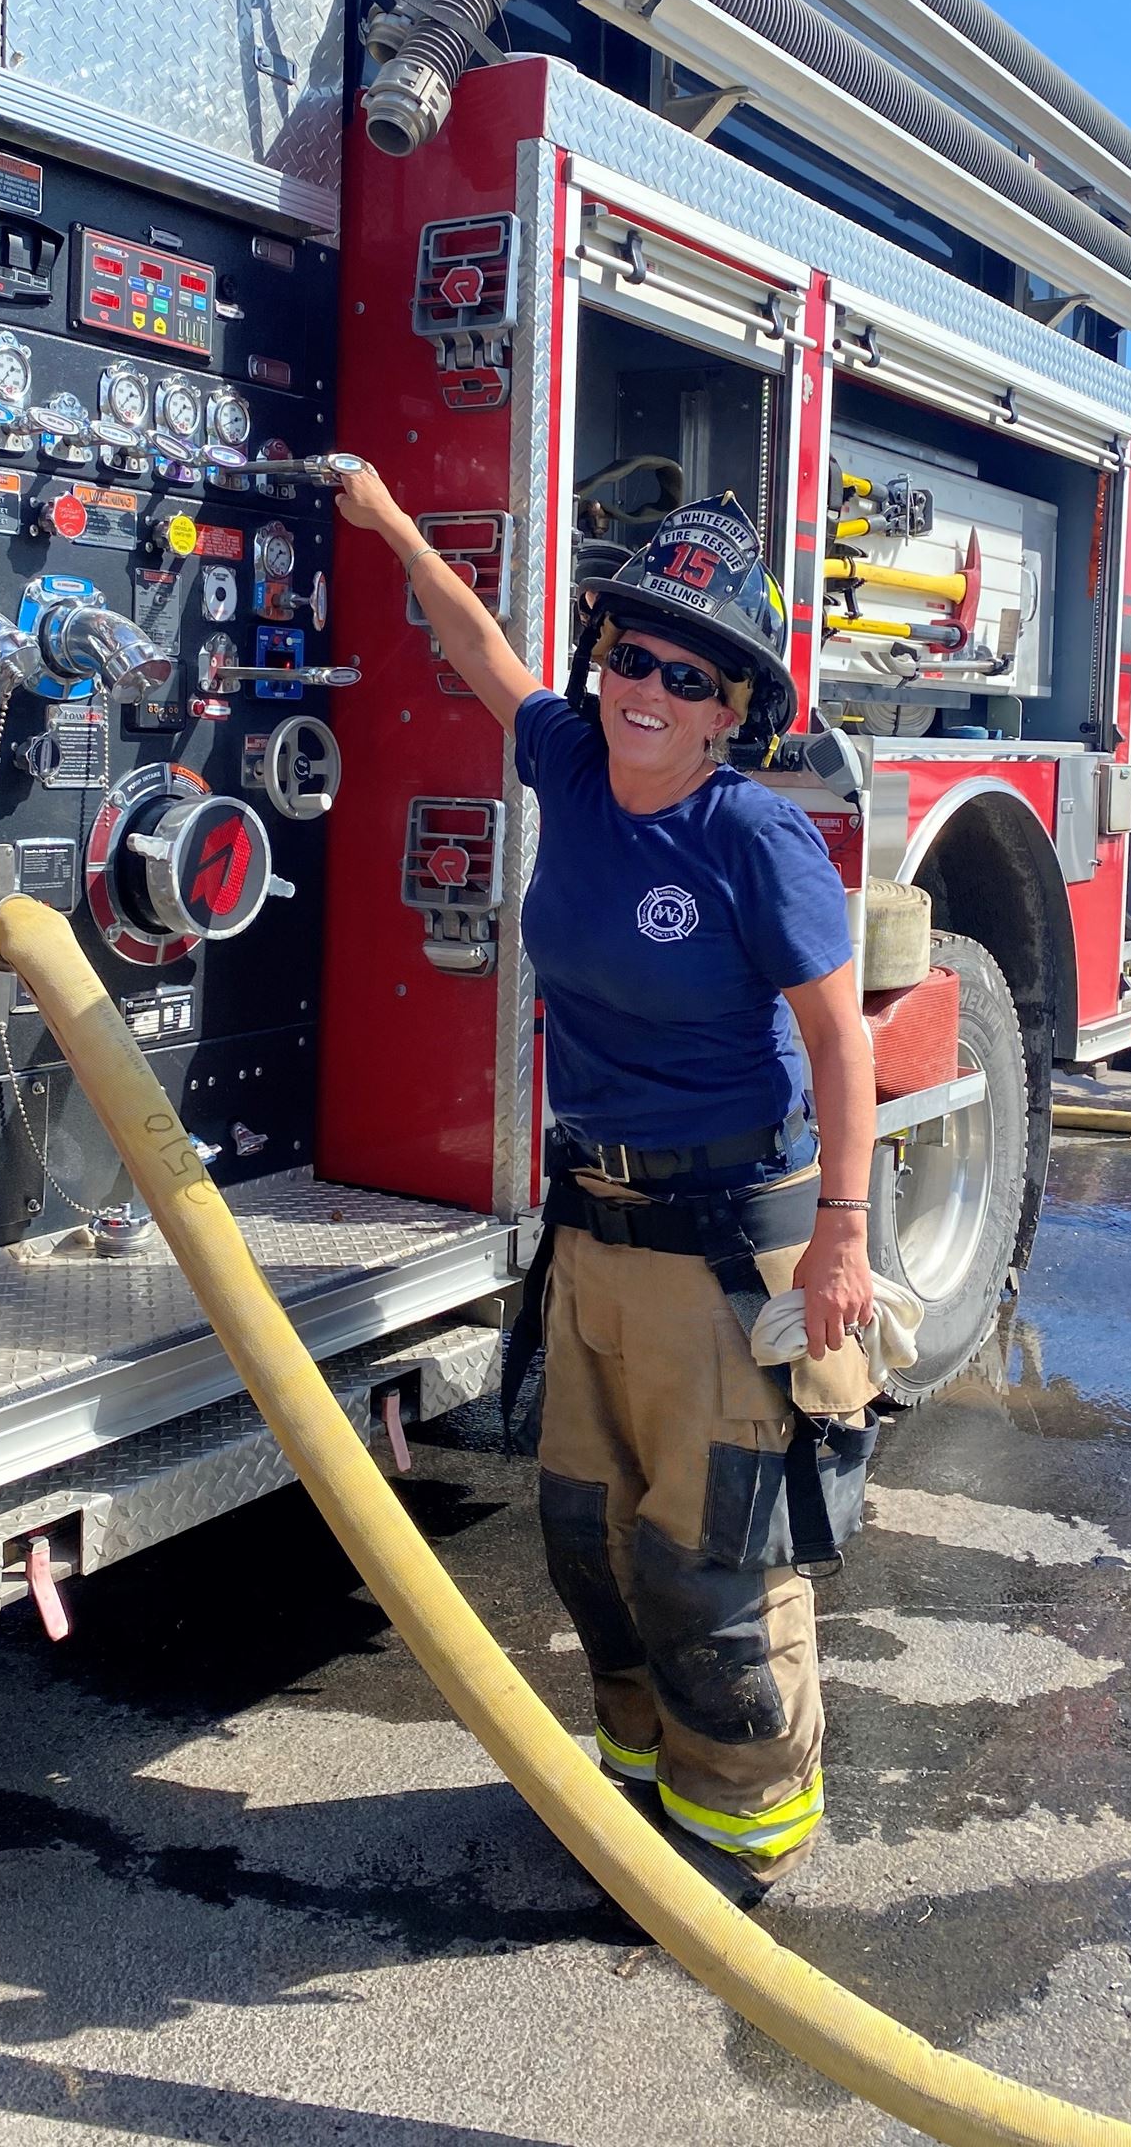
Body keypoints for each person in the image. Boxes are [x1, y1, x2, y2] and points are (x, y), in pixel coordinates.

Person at [333, 463, 881, 1903]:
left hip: (726, 1249)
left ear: (727, 709)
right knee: (588, 1534)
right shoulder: (571, 760)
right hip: (596, 1227)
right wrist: (393, 522)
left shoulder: (749, 834)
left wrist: (841, 1236)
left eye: (683, 673)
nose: (643, 684)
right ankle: (633, 1779)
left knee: (709, 1564)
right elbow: (477, 650)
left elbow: (838, 1039)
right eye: (627, 654)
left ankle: (741, 1840)